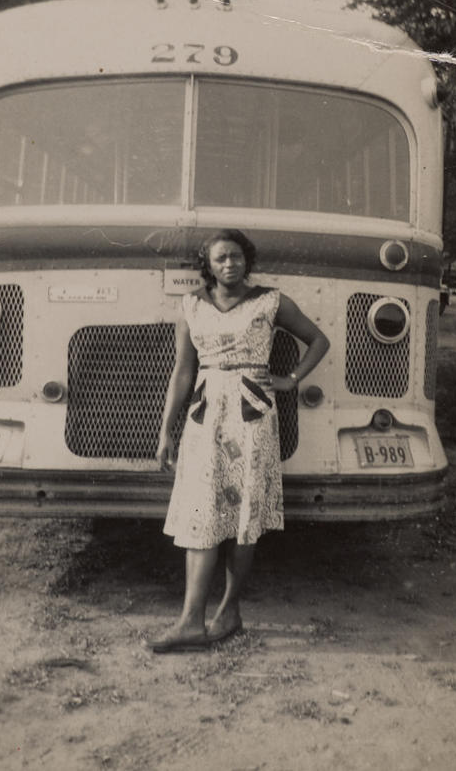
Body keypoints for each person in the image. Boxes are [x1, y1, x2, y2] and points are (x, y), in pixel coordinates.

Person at [150, 229, 330, 653]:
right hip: (205, 415)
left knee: (245, 515)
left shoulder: (271, 301)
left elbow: (319, 340)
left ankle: (229, 610)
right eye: (220, 259)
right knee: (201, 512)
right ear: (208, 266)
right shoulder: (192, 304)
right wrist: (165, 430)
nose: (229, 264)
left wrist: (291, 380)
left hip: (252, 417)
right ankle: (191, 620)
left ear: (246, 261)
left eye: (235, 257)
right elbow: (182, 373)